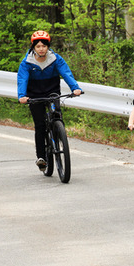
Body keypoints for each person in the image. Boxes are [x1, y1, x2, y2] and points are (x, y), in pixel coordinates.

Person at [17, 30, 82, 171]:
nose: (41, 49)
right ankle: (42, 157)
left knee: (57, 115)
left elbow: (66, 73)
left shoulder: (55, 59)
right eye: (38, 46)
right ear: (33, 47)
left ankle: (58, 133)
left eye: (44, 46)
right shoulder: (27, 62)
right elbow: (22, 79)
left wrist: (75, 88)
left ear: (48, 47)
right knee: (40, 125)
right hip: (34, 94)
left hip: (52, 91)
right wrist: (22, 95)